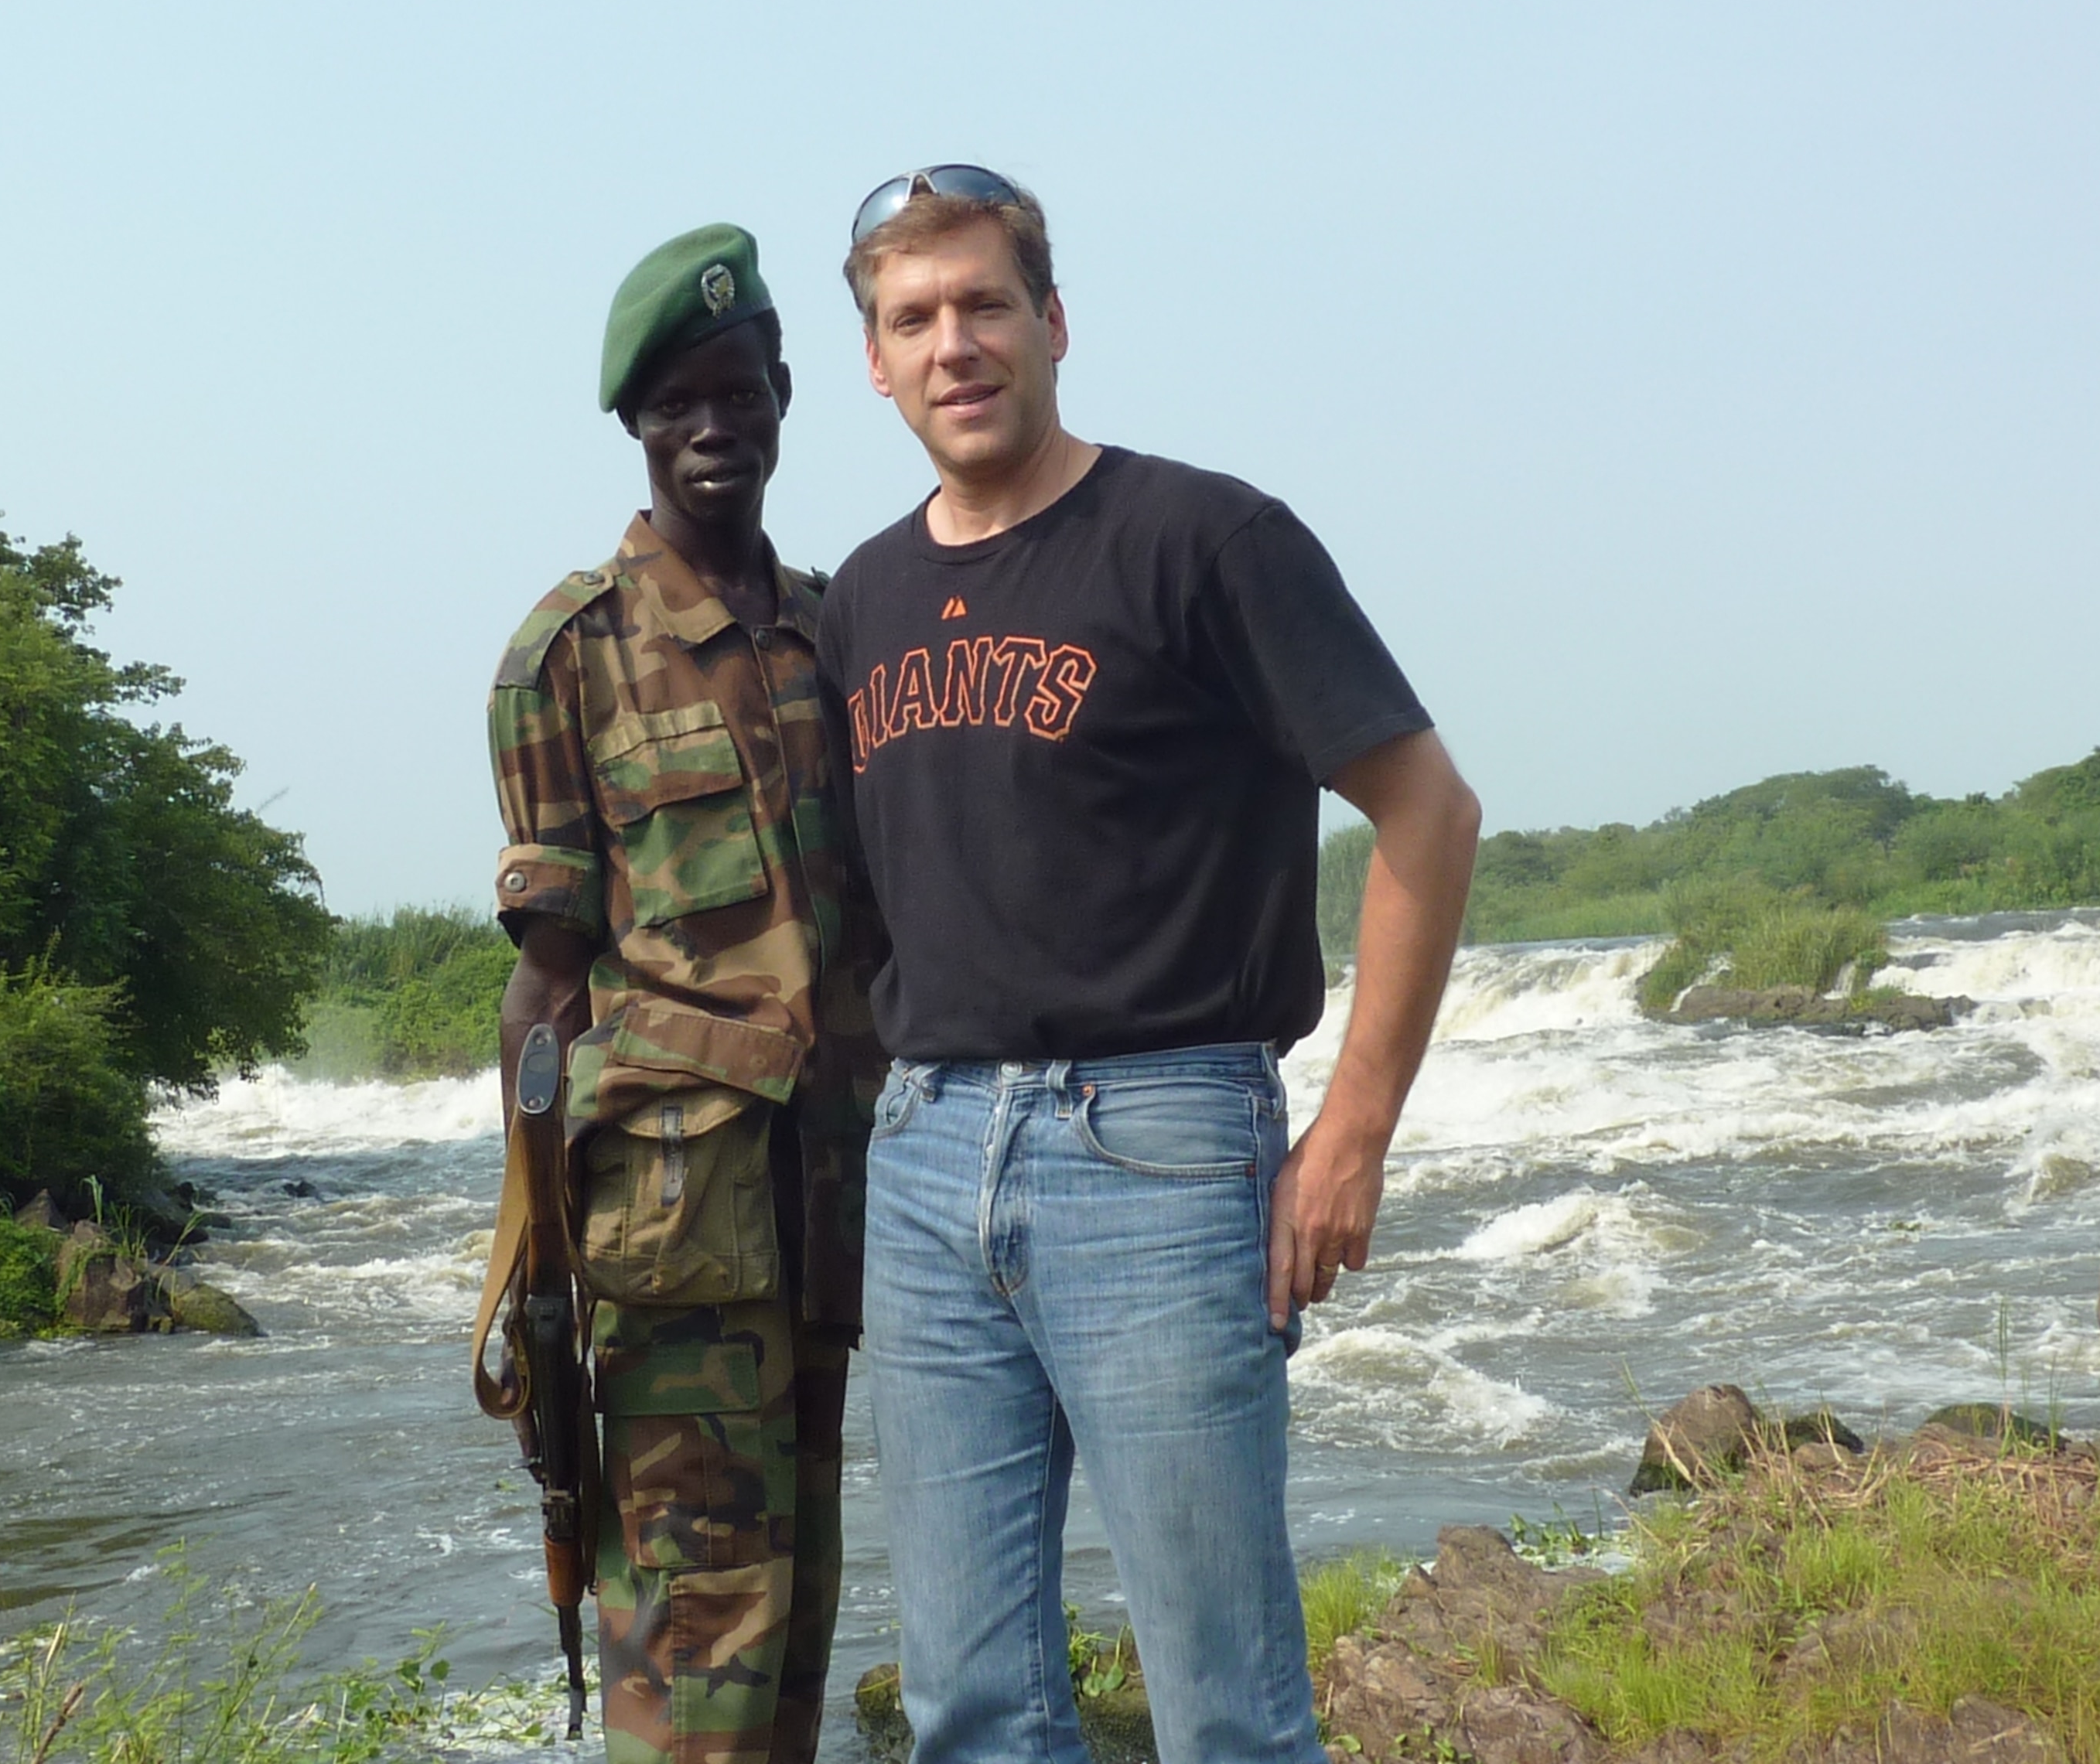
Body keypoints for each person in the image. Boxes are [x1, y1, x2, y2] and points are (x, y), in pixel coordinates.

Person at [814, 167, 1484, 1764]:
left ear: (1053, 321)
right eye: (915, 318)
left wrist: (1352, 1135)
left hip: (1166, 1145)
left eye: (985, 304)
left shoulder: (1205, 539)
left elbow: (1427, 811)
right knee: (972, 1703)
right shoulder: (862, 602)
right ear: (876, 363)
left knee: (1224, 1707)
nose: (954, 343)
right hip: (923, 1158)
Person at [484, 223, 875, 1764]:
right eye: (677, 407)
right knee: (690, 1668)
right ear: (637, 430)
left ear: (785, 392)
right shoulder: (565, 659)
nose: (715, 429)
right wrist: (532, 1263)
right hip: (668, 1243)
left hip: (825, 1222)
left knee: (797, 1656)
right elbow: (542, 990)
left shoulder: (843, 632)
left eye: (738, 393)